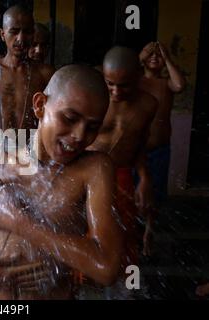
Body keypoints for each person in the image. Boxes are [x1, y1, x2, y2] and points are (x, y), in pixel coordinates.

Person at [0, 65, 123, 299]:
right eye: (69, 118)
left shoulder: (93, 169)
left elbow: (106, 268)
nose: (79, 135)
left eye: (92, 127)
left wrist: (20, 224)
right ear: (39, 105)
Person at [89, 46, 158, 267]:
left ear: (138, 75)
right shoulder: (94, 98)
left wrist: (144, 177)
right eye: (110, 84)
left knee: (123, 232)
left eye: (124, 85)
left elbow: (139, 145)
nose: (116, 92)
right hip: (89, 172)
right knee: (86, 229)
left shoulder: (148, 105)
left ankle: (120, 286)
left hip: (122, 174)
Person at [138, 42, 186, 254]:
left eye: (159, 55)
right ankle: (132, 231)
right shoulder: (137, 81)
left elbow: (181, 85)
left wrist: (167, 56)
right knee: (133, 190)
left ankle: (148, 232)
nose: (155, 58)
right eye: (151, 55)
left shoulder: (167, 83)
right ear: (143, 58)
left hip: (160, 149)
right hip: (138, 150)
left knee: (155, 194)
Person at [0, 5, 55, 130]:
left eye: (27, 32)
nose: (21, 38)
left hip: (30, 146)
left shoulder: (45, 74)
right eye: (14, 32)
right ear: (2, 34)